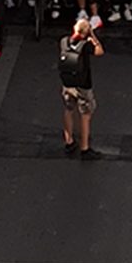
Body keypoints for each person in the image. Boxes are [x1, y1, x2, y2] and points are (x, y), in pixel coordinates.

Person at [57, 14, 103, 159]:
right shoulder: (86, 46)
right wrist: (93, 37)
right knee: (85, 115)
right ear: (86, 32)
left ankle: (69, 141)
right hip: (83, 85)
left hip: (67, 83)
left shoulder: (64, 41)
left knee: (68, 110)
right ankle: (85, 148)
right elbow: (100, 52)